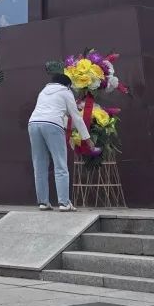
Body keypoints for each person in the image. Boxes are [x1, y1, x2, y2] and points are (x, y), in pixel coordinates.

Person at [28, 73, 96, 212]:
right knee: (60, 164)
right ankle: (64, 203)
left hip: (33, 124)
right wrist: (87, 139)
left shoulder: (43, 91)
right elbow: (76, 116)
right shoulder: (66, 92)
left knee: (39, 165)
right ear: (68, 85)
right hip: (53, 125)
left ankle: (43, 202)